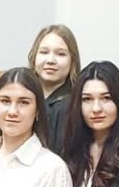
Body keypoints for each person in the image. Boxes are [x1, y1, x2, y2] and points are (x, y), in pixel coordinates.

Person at [26, 23, 81, 154]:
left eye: (61, 54)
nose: (50, 60)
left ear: (72, 61)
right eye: (44, 52)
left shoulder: (74, 104)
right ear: (34, 57)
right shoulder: (21, 96)